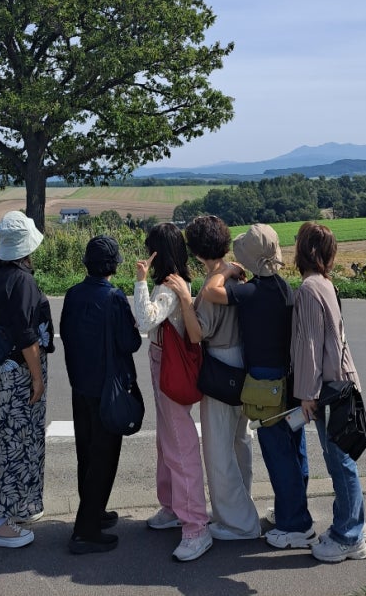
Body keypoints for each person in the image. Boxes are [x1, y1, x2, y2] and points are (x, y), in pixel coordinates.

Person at [201, 222, 315, 549]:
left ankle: (296, 526)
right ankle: (292, 511)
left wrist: (226, 270)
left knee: (278, 455)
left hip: (265, 385)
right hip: (289, 379)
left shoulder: (251, 291)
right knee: (294, 449)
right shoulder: (284, 288)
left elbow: (211, 292)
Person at [166, 215, 260, 542]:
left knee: (219, 451)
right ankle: (242, 506)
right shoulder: (237, 275)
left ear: (196, 252)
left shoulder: (211, 288)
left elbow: (197, 335)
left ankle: (238, 522)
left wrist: (184, 299)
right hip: (244, 363)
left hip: (220, 363)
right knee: (240, 441)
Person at [133, 222, 212, 562]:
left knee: (179, 445)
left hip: (168, 365)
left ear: (158, 252)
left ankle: (195, 527)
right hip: (165, 362)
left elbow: (145, 321)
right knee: (167, 440)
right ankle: (171, 507)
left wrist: (139, 281)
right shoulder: (176, 283)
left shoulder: (168, 287)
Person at [292, 221, 366, 563]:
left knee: (340, 462)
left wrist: (306, 393)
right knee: (343, 460)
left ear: (305, 250)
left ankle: (348, 536)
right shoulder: (325, 283)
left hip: (330, 387)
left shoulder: (308, 289)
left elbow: (309, 346)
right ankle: (354, 525)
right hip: (343, 382)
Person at [60, 235, 142, 555]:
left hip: (81, 385)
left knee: (86, 454)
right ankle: (85, 531)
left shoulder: (73, 294)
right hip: (108, 388)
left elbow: (67, 334)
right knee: (104, 459)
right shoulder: (114, 297)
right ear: (112, 266)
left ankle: (93, 511)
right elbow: (130, 343)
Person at [0, 211, 54, 548]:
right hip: (17, 374)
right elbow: (26, 335)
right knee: (13, 444)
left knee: (6, 440)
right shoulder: (23, 281)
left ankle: (16, 509)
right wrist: (37, 378)